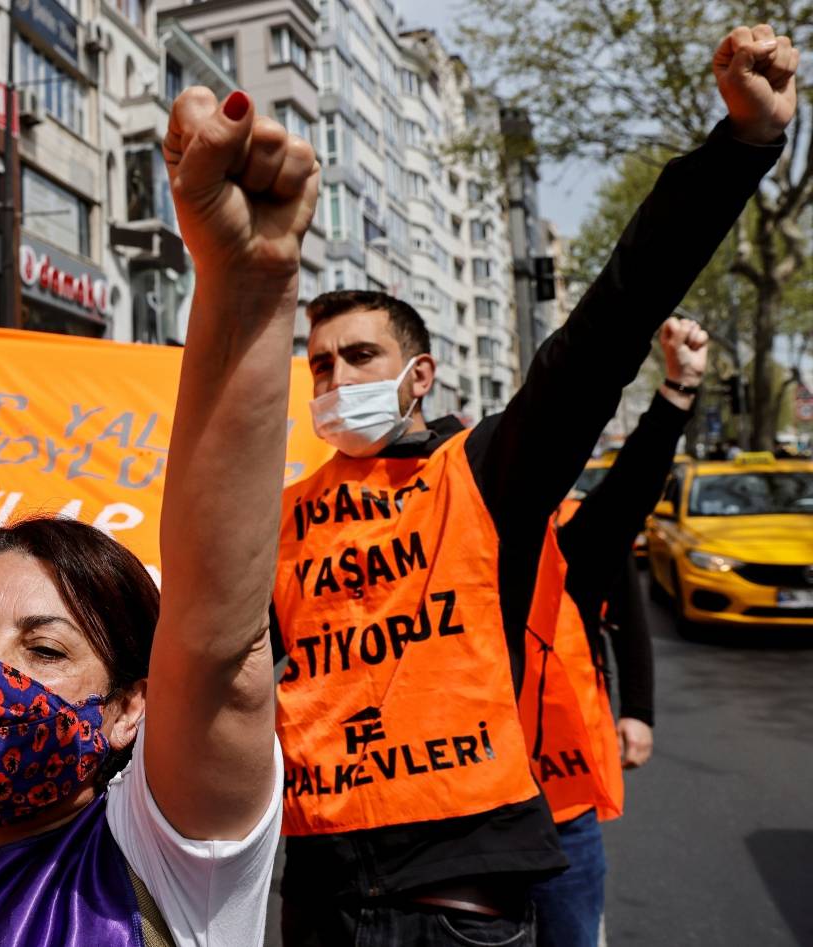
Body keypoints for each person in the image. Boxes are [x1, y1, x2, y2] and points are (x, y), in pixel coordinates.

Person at [270, 24, 793, 946]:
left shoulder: (481, 476)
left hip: (460, 913)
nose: (335, 380)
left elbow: (610, 319)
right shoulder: (283, 518)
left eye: (360, 356)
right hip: (318, 906)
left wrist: (739, 148)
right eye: (318, 365)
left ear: (420, 373)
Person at [0, 86, 317, 945]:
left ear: (128, 708)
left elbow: (219, 644)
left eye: (44, 648)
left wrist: (246, 286)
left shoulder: (165, 856)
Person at [522, 317, 705, 945]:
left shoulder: (578, 536)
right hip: (468, 817)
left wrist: (640, 710)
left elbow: (626, 617)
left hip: (561, 804)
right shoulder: (453, 540)